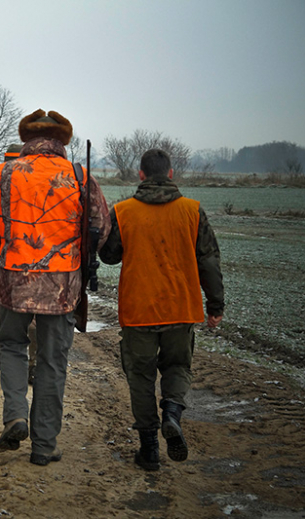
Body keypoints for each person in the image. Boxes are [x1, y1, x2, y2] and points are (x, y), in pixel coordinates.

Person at [0, 109, 110, 466]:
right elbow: (100, 230)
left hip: (12, 283)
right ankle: (44, 445)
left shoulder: (2, 174)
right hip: (63, 288)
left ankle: (16, 414)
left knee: (13, 345)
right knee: (52, 362)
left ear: (26, 139)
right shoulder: (81, 177)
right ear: (62, 140)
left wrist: (7, 253)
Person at [99, 148, 224, 471]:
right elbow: (209, 262)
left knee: (140, 377)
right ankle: (172, 413)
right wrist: (215, 305)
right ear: (170, 173)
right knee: (178, 367)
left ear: (140, 175)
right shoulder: (193, 211)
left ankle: (150, 449)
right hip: (181, 308)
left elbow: (109, 256)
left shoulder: (123, 211)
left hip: (138, 311)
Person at [0, 143, 38, 385]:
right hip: (38, 260)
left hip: (5, 259)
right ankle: (34, 364)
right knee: (34, 314)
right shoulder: (34, 183)